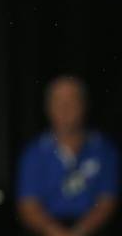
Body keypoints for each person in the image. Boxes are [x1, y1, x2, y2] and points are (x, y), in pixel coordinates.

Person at [16, 76, 118, 236]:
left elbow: (107, 201)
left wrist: (80, 231)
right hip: (48, 229)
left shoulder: (104, 149)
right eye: (58, 102)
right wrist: (55, 232)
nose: (65, 108)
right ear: (48, 107)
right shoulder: (34, 152)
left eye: (72, 101)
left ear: (84, 105)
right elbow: (28, 206)